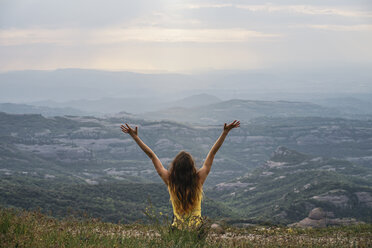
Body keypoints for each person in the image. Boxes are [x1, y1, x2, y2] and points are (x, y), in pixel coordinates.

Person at [120, 120, 240, 229]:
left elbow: (152, 156)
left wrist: (135, 137)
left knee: (174, 220)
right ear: (192, 167)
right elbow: (212, 153)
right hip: (196, 230)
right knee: (213, 227)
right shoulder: (198, 180)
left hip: (177, 230)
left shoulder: (170, 181)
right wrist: (225, 133)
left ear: (175, 167)